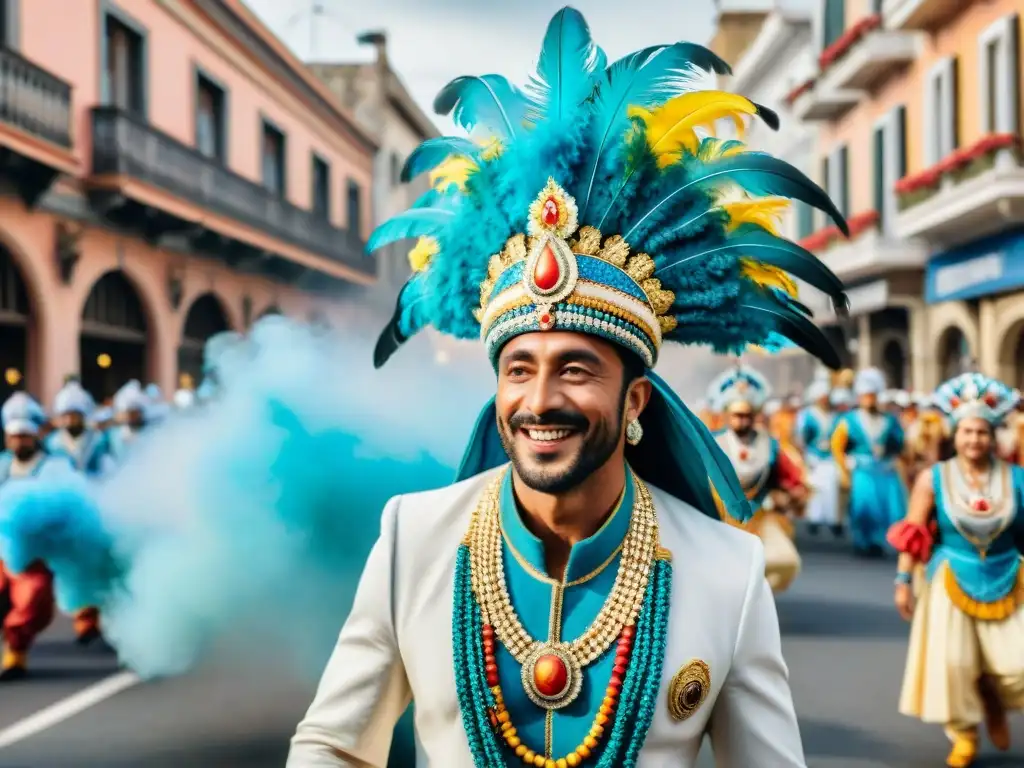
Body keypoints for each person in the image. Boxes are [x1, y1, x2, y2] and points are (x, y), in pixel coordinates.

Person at [286, 8, 849, 767]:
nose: (540, 400)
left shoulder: (727, 572)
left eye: (576, 369)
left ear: (635, 400)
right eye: (519, 369)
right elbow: (331, 745)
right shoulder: (412, 541)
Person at [888, 373, 1024, 768]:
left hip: (1009, 574)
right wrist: (902, 581)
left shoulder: (1017, 478)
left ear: (993, 436)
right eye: (967, 431)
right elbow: (913, 533)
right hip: (950, 578)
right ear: (955, 433)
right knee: (953, 664)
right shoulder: (932, 479)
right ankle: (964, 733)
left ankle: (992, 696)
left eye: (982, 432)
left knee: (1017, 665)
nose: (974, 440)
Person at [710, 366, 808, 593]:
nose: (742, 421)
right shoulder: (712, 443)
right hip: (717, 517)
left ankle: (758, 597)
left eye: (747, 415)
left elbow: (791, 479)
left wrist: (792, 494)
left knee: (784, 561)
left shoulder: (770, 445)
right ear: (727, 415)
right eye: (737, 415)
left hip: (760, 517)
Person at [0, 393, 73, 680]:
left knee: (32, 600)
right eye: (14, 437)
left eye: (24, 436)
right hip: (1, 549)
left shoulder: (53, 467)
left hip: (35, 554)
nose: (19, 442)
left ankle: (15, 655)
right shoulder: (2, 465)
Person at [44, 379, 113, 644]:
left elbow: (108, 470)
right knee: (69, 567)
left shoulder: (100, 442)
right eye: (67, 415)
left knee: (93, 564)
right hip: (64, 514)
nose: (71, 419)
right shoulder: (52, 444)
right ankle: (81, 614)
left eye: (75, 414)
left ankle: (90, 617)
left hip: (95, 509)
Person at [832, 368, 906, 557]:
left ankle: (877, 541)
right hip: (861, 470)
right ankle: (861, 541)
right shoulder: (849, 420)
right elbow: (837, 445)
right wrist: (844, 469)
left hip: (883, 469)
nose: (869, 400)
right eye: (866, 396)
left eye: (872, 396)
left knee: (883, 507)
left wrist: (894, 455)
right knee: (862, 506)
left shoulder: (889, 420)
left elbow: (899, 443)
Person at [798, 378, 842, 537]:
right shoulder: (807, 415)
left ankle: (833, 521)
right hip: (813, 457)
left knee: (832, 490)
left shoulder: (835, 416)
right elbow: (801, 437)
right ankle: (814, 520)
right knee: (815, 489)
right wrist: (803, 456)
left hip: (831, 458)